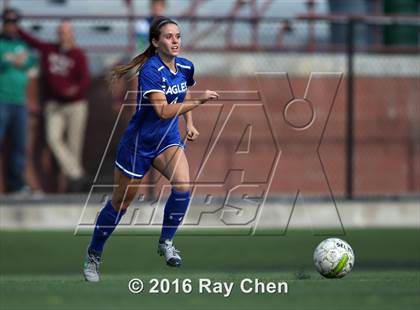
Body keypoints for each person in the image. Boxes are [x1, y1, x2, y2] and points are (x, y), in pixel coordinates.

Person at [83, 16, 219, 282]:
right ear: (156, 42)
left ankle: (166, 242)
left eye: (178, 36)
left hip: (166, 139)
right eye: (169, 37)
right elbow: (162, 110)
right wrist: (200, 103)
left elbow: (184, 92)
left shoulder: (185, 66)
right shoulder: (150, 70)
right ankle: (93, 255)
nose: (175, 41)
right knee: (121, 202)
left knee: (183, 186)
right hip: (139, 144)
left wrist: (189, 123)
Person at [17, 19, 90, 192]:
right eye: (60, 32)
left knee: (74, 146)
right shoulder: (49, 49)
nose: (63, 35)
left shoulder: (78, 54)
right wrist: (16, 26)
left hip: (75, 105)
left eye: (66, 32)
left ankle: (72, 186)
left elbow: (85, 79)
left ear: (72, 34)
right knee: (53, 138)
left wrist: (74, 90)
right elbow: (31, 40)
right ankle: (77, 174)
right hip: (54, 105)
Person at [0, 8, 34, 195]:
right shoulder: (1, 43)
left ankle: (16, 186)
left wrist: (20, 61)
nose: (11, 25)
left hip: (20, 101)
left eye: (14, 22)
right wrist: (9, 60)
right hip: (2, 99)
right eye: (8, 22)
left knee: (19, 146)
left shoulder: (22, 44)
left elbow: (30, 62)